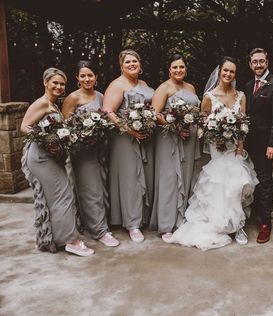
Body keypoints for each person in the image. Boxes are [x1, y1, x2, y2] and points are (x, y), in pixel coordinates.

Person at [164, 56, 259, 251]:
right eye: (225, 71)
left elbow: (242, 123)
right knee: (219, 184)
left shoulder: (241, 96)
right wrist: (215, 134)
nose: (228, 74)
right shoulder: (209, 97)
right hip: (218, 148)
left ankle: (238, 225)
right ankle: (220, 223)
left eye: (232, 71)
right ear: (220, 72)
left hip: (235, 148)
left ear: (235, 74)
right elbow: (203, 124)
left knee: (237, 183)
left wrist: (240, 145)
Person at [21, 67, 94, 256]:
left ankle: (56, 237)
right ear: (46, 83)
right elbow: (25, 127)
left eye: (62, 84)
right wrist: (47, 141)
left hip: (51, 156)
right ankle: (71, 241)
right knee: (63, 195)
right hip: (41, 157)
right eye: (55, 83)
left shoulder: (53, 104)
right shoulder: (42, 103)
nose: (59, 87)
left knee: (60, 196)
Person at [62, 60, 119, 247]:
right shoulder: (73, 98)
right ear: (77, 78)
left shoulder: (102, 96)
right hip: (82, 151)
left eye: (90, 75)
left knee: (102, 189)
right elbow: (65, 127)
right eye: (83, 75)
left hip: (101, 149)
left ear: (96, 77)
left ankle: (97, 223)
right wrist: (82, 137)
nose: (87, 79)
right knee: (90, 190)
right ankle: (100, 231)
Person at [102, 49, 155, 243]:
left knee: (145, 176)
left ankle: (143, 217)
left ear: (140, 64)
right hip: (125, 138)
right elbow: (108, 112)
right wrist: (130, 129)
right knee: (130, 179)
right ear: (121, 66)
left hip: (144, 136)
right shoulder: (117, 85)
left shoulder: (143, 84)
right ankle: (132, 223)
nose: (132, 64)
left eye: (135, 61)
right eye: (128, 62)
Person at [150, 54, 200, 240]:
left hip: (189, 139)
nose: (178, 70)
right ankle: (165, 225)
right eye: (175, 67)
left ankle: (180, 219)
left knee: (185, 178)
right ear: (169, 70)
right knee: (169, 179)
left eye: (181, 67)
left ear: (185, 69)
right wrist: (176, 128)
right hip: (169, 139)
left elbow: (196, 111)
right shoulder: (164, 88)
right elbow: (155, 114)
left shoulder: (191, 87)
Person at [244, 48, 273, 244]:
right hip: (248, 143)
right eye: (255, 62)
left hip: (265, 144)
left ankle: (265, 223)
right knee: (251, 178)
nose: (258, 65)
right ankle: (255, 213)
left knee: (265, 180)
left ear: (267, 61)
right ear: (250, 64)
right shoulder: (249, 85)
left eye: (261, 61)